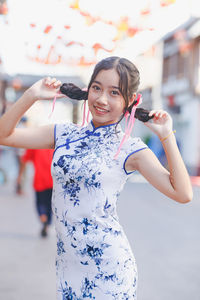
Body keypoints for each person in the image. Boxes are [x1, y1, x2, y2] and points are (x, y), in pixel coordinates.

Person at [0, 56, 192, 299]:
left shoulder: (130, 149)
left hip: (109, 269)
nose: (102, 99)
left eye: (114, 92)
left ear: (129, 101)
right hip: (68, 266)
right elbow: (4, 135)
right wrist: (32, 95)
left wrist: (167, 136)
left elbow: (183, 193)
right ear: (87, 89)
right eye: (97, 88)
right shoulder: (63, 134)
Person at [17, 148, 54, 237]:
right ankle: (47, 223)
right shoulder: (54, 145)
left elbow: (24, 159)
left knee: (40, 203)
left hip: (40, 180)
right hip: (53, 181)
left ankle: (43, 219)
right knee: (50, 205)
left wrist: (19, 176)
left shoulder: (36, 145)